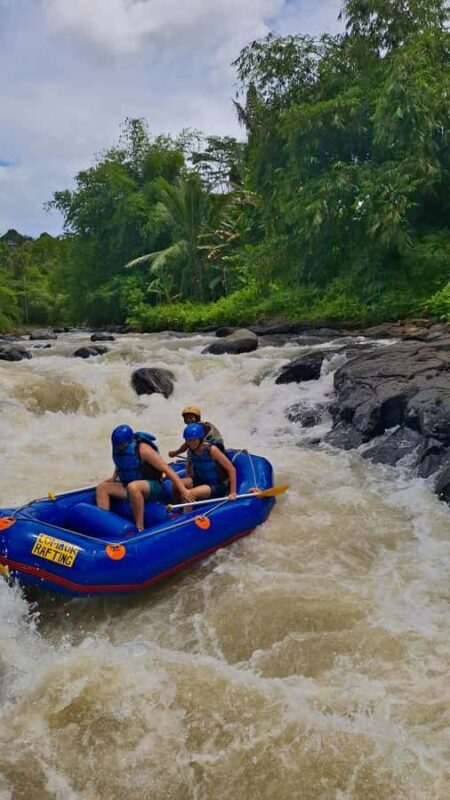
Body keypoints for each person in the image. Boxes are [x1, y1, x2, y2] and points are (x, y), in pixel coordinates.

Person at [96, 425, 195, 532]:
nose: (119, 448)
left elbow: (167, 469)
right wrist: (114, 478)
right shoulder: (120, 449)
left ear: (130, 441)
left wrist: (183, 490)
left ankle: (140, 527)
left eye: (121, 445)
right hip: (128, 485)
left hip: (152, 487)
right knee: (102, 487)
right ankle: (104, 523)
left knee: (133, 487)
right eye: (117, 446)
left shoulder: (143, 449)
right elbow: (121, 463)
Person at [172, 422, 237, 506]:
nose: (191, 443)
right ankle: (177, 508)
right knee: (176, 484)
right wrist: (187, 482)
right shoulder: (190, 451)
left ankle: (186, 515)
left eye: (194, 440)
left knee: (190, 494)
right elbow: (189, 467)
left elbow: (231, 469)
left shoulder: (212, 450)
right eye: (188, 441)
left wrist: (233, 492)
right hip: (200, 480)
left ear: (201, 439)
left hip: (217, 484)